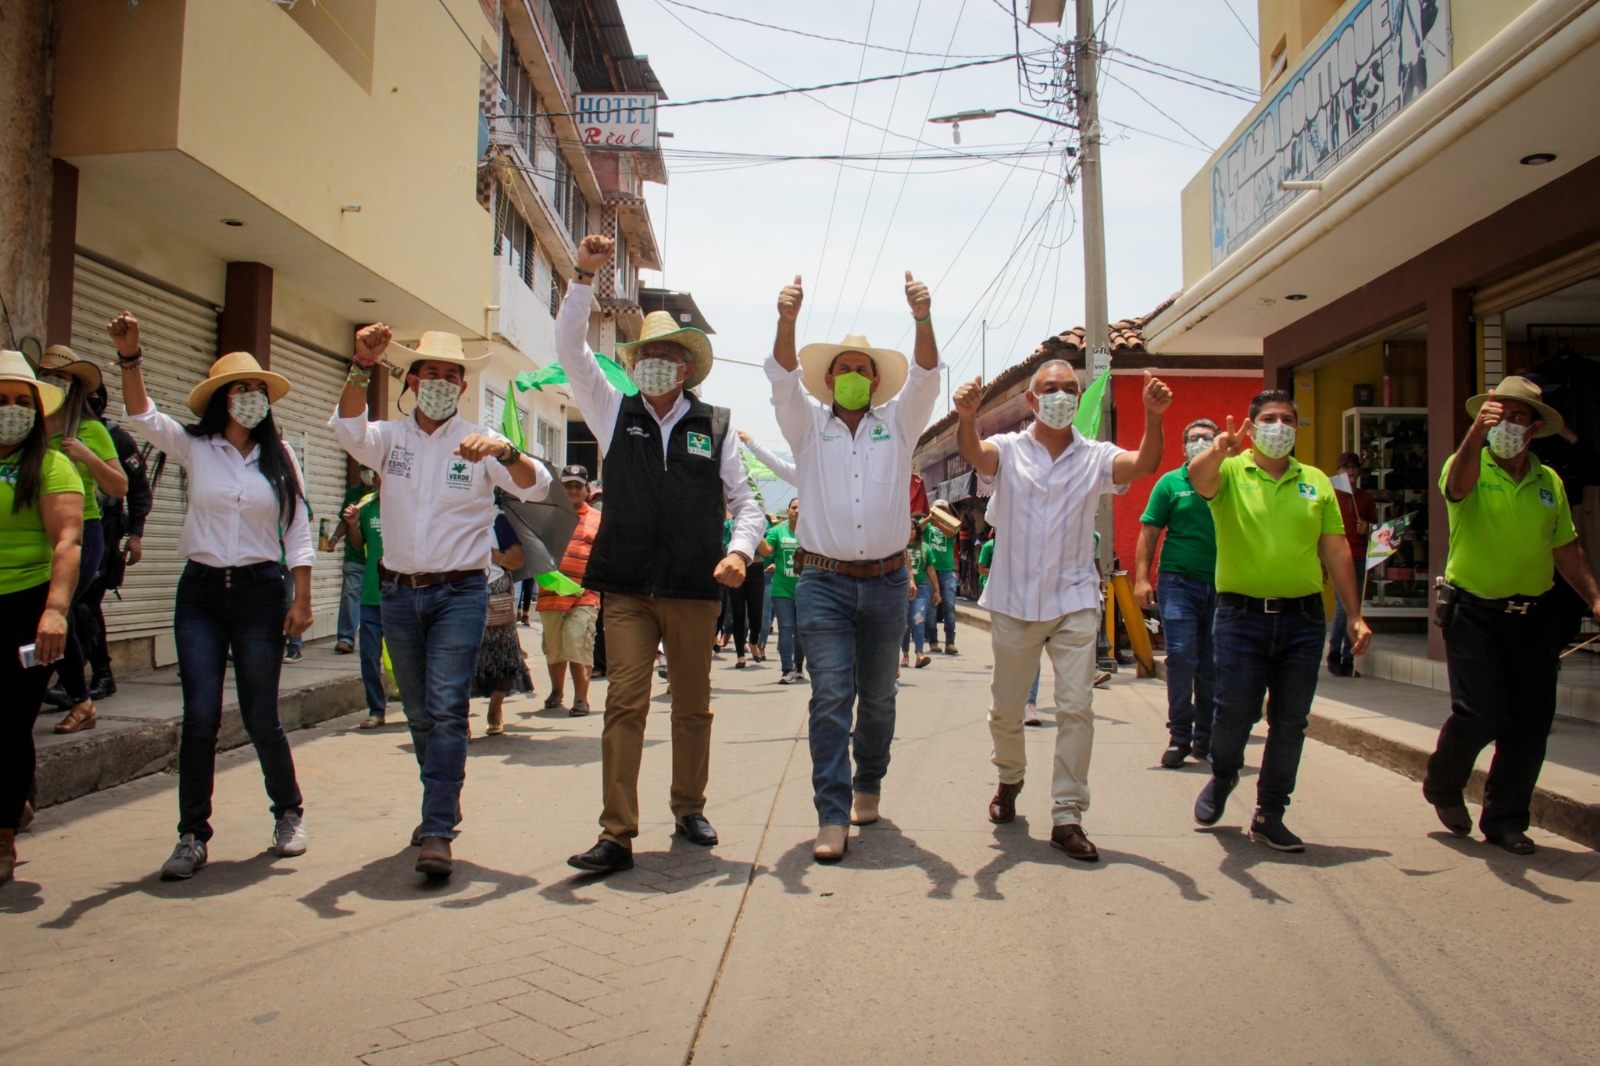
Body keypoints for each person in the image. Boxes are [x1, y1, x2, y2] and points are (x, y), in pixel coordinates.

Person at [556, 235, 763, 876]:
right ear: (636, 363)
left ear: (686, 368)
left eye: (670, 357)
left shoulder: (717, 426)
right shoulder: (612, 412)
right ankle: (616, 833)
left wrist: (738, 551)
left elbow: (748, 504)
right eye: (649, 356)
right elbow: (569, 348)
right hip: (624, 586)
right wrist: (583, 277)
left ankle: (688, 806)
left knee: (695, 704)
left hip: (693, 587)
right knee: (626, 702)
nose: (658, 365)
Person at [333, 325, 550, 880]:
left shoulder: (479, 443)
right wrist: (362, 362)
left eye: (452, 376)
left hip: (461, 592)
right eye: (430, 374)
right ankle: (444, 798)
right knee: (419, 710)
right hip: (400, 592)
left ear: (461, 386)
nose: (441, 383)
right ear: (412, 381)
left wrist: (507, 448)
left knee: (449, 705)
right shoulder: (388, 440)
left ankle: (436, 830)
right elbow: (348, 428)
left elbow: (538, 485)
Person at [109, 314, 315, 880]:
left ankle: (289, 812)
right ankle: (192, 835)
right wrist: (131, 356)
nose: (250, 398)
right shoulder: (193, 446)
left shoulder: (281, 457)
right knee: (199, 717)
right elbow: (142, 415)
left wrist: (302, 598)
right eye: (240, 390)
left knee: (259, 713)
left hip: (259, 594)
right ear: (221, 399)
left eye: (257, 391)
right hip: (200, 594)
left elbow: (297, 530)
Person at [956, 363, 1172, 861]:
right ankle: (1010, 778)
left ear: (1080, 398)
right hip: (1014, 602)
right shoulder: (1009, 449)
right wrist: (968, 417)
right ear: (1032, 402)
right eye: (1049, 390)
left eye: (1069, 390)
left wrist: (1153, 417)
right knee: (1007, 710)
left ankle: (1067, 815)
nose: (1060, 396)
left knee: (1076, 708)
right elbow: (976, 454)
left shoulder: (1094, 456)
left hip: (1074, 600)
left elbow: (1142, 465)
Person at [769, 269, 942, 863]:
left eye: (861, 369)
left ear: (875, 382)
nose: (850, 377)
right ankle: (832, 812)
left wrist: (922, 316)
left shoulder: (899, 425)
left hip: (890, 581)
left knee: (881, 697)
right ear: (827, 380)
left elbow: (926, 377)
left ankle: (869, 779)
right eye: (841, 369)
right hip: (822, 583)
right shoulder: (806, 428)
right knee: (830, 696)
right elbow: (780, 378)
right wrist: (787, 320)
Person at [1424, 377, 1600, 855]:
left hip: (1533, 616)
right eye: (1497, 414)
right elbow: (1456, 488)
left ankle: (1505, 819)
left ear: (1534, 428)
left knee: (1530, 721)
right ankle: (1443, 784)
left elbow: (1565, 547)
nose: (1505, 423)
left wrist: (1594, 597)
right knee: (1480, 711)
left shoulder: (1550, 482)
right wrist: (1475, 436)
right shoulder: (1468, 465)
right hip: (1474, 612)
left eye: (1516, 417)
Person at [1189, 390, 1370, 852]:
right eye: (1268, 419)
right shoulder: (1230, 470)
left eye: (1287, 419)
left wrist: (1354, 614)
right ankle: (1224, 774)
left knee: (1290, 721)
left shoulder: (1316, 482)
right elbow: (1198, 477)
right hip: (1240, 617)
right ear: (1251, 426)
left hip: (1303, 619)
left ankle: (1270, 812)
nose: (1279, 426)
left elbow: (1335, 548)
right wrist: (1218, 449)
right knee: (1235, 712)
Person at [0, 352, 83, 885]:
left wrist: (55, 610)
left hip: (28, 609)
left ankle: (3, 836)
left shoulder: (52, 466)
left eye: (20, 402)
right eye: (2, 401)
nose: (11, 410)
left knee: (8, 723)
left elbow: (68, 540)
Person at [34, 348, 126, 734]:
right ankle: (77, 697)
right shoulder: (29, 426)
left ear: (74, 387)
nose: (56, 382)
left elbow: (119, 485)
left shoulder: (91, 430)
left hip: (83, 534)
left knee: (61, 611)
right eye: (48, 375)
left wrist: (88, 457)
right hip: (37, 533)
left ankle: (80, 698)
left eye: (64, 377)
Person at [1134, 418, 1221, 769]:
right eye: (1193, 438)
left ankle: (1206, 738)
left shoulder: (1230, 481)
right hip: (1178, 583)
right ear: (1183, 447)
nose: (1200, 442)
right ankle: (1179, 737)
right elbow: (1149, 531)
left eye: (1207, 438)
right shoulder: (1170, 484)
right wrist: (1142, 579)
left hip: (1225, 585)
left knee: (1213, 664)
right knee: (1183, 656)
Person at [75, 383, 152, 701]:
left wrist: (135, 533)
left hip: (101, 532)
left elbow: (137, 488)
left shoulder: (114, 437)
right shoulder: (54, 431)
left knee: (84, 604)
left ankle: (100, 674)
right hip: (60, 530)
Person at [539, 465, 602, 716]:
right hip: (550, 592)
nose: (573, 490)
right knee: (554, 647)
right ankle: (557, 691)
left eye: (578, 485)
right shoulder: (548, 516)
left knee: (579, 643)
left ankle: (581, 699)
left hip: (584, 594)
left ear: (587, 490)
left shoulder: (598, 518)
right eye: (568, 486)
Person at [472, 513, 532, 735]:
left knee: (502, 657)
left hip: (495, 595)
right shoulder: (447, 513)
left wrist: (494, 556)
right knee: (460, 657)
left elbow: (517, 558)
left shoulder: (497, 519)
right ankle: (459, 716)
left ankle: (495, 709)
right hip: (458, 592)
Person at [343, 482, 388, 730]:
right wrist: (352, 525)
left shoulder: (409, 504)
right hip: (371, 594)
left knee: (410, 659)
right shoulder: (367, 506)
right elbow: (359, 544)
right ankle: (376, 709)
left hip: (401, 595)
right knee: (369, 656)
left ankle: (421, 708)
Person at [1328, 451, 1377, 677]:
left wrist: (1366, 528)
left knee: (1356, 608)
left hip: (1359, 556)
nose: (1351, 472)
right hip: (1338, 557)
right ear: (1338, 471)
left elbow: (1376, 530)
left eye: (1354, 468)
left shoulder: (1365, 498)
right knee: (1344, 607)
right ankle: (1334, 651)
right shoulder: (1332, 495)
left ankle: (1349, 656)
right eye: (1346, 468)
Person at [328, 467, 376, 655]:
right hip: (355, 557)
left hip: (376, 559)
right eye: (363, 470)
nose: (367, 474)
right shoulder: (353, 494)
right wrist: (333, 538)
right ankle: (346, 638)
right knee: (350, 595)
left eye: (370, 470)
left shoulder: (383, 495)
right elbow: (344, 521)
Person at [758, 497, 806, 683]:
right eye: (793, 508)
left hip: (805, 590)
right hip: (782, 590)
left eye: (801, 508)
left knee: (801, 630)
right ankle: (787, 670)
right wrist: (754, 534)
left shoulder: (811, 533)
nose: (797, 511)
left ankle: (799, 666)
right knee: (785, 629)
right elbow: (767, 552)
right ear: (788, 511)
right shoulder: (777, 532)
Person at [921, 503, 959, 654]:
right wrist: (929, 519)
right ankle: (933, 641)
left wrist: (938, 522)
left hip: (947, 572)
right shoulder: (927, 527)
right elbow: (916, 529)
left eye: (943, 511)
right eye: (938, 510)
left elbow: (951, 534)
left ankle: (950, 642)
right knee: (931, 608)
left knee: (949, 607)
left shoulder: (951, 527)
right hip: (930, 571)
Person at [901, 516, 937, 670]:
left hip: (921, 589)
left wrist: (936, 590)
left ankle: (919, 655)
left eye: (913, 529)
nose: (911, 532)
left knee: (918, 620)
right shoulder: (899, 548)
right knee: (904, 624)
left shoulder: (925, 548)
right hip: (902, 589)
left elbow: (930, 570)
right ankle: (905, 655)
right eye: (908, 529)